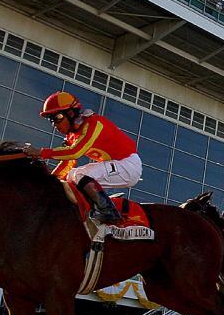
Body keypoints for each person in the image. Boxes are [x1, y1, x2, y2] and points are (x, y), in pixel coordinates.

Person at [23, 91, 142, 224]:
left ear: (71, 113)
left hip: (128, 165)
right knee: (71, 176)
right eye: (51, 120)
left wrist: (40, 152)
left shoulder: (94, 123)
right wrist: (51, 182)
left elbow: (75, 152)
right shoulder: (72, 136)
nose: (54, 124)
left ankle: (109, 212)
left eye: (57, 117)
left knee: (79, 174)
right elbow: (67, 163)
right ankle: (93, 210)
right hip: (118, 165)